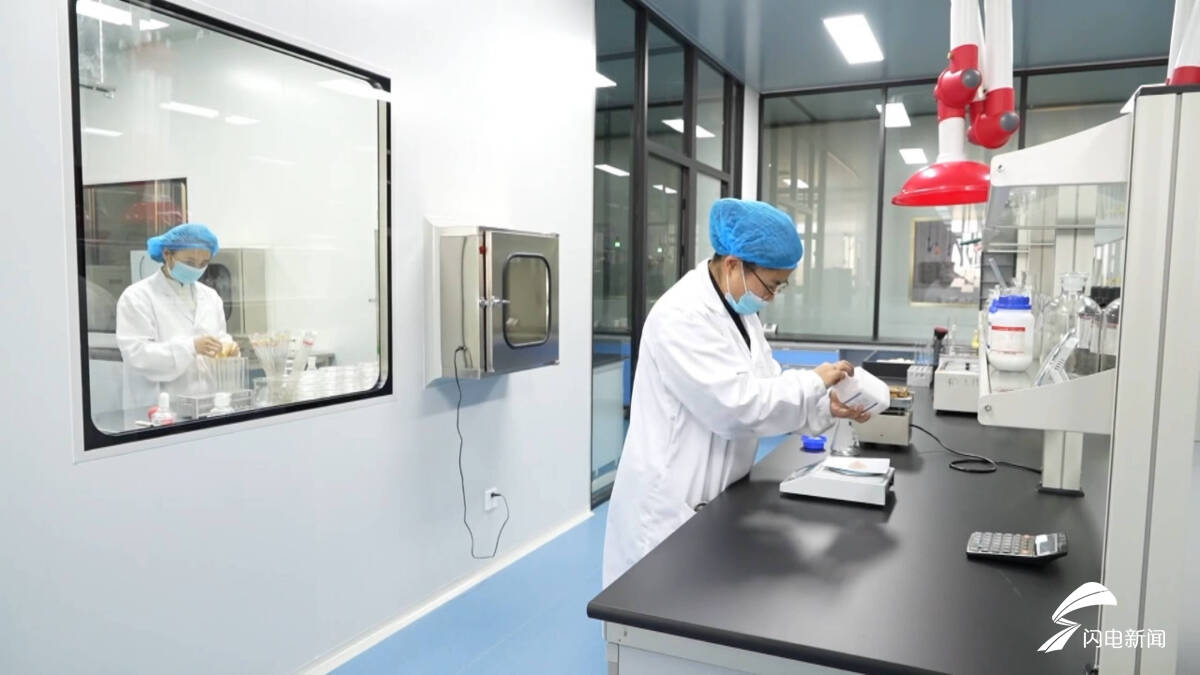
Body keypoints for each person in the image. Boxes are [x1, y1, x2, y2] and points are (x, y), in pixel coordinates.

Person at [602, 198, 872, 587]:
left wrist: (825, 406)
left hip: (718, 496)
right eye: (772, 284)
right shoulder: (681, 316)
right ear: (733, 265)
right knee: (660, 607)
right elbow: (735, 408)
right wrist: (813, 381)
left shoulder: (740, 312)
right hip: (670, 505)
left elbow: (767, 384)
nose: (773, 296)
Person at [116, 223, 234, 426]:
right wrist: (191, 347)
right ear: (167, 254)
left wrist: (227, 349)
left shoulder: (210, 297)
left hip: (206, 406)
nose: (196, 269)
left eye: (203, 263)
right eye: (189, 262)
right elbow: (137, 354)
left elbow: (219, 338)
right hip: (157, 410)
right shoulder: (137, 297)